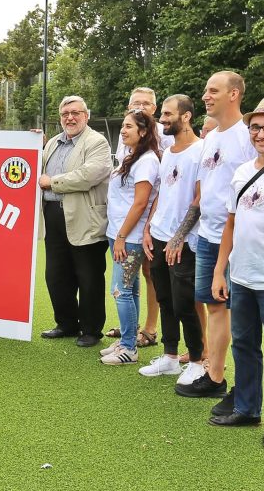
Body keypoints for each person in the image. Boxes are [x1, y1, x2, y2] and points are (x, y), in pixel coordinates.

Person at [208, 97, 264, 450]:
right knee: (244, 346)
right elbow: (231, 224)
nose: (261, 133)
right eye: (255, 127)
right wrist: (219, 271)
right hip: (241, 277)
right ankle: (246, 408)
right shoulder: (242, 172)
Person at [175, 71, 256, 401]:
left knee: (242, 313)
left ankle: (246, 389)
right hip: (207, 237)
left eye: (213, 90)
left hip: (236, 238)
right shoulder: (211, 138)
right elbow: (204, 191)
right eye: (206, 90)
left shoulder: (246, 136)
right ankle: (216, 376)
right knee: (215, 305)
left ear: (234, 94)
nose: (205, 96)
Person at [140, 94, 206, 384]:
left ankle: (196, 361)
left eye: (168, 114)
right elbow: (162, 195)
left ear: (187, 116)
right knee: (165, 299)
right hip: (158, 235)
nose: (162, 119)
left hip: (184, 242)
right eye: (162, 114)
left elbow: (201, 197)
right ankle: (169, 357)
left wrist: (179, 238)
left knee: (184, 304)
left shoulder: (202, 151)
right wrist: (148, 228)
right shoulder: (167, 152)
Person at [39, 96, 112, 347]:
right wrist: (29, 143)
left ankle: (91, 330)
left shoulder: (97, 142)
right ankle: (66, 324)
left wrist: (53, 182)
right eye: (65, 114)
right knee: (56, 275)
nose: (69, 118)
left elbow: (88, 175)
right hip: (53, 215)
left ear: (86, 115)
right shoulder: (53, 144)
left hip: (85, 217)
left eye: (75, 113)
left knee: (89, 276)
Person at [107, 87, 171, 349]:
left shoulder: (156, 149)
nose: (140, 107)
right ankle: (129, 333)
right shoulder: (128, 146)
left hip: (138, 230)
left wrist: (135, 231)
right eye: (135, 104)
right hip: (123, 228)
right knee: (131, 286)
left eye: (146, 104)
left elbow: (146, 197)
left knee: (134, 282)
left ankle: (142, 334)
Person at [98, 109, 160, 365]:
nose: (123, 130)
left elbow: (140, 203)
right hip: (119, 233)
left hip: (130, 237)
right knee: (131, 290)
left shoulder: (147, 160)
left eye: (129, 127)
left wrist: (123, 236)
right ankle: (128, 339)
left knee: (120, 290)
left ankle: (128, 349)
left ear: (143, 132)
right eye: (123, 126)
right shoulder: (130, 155)